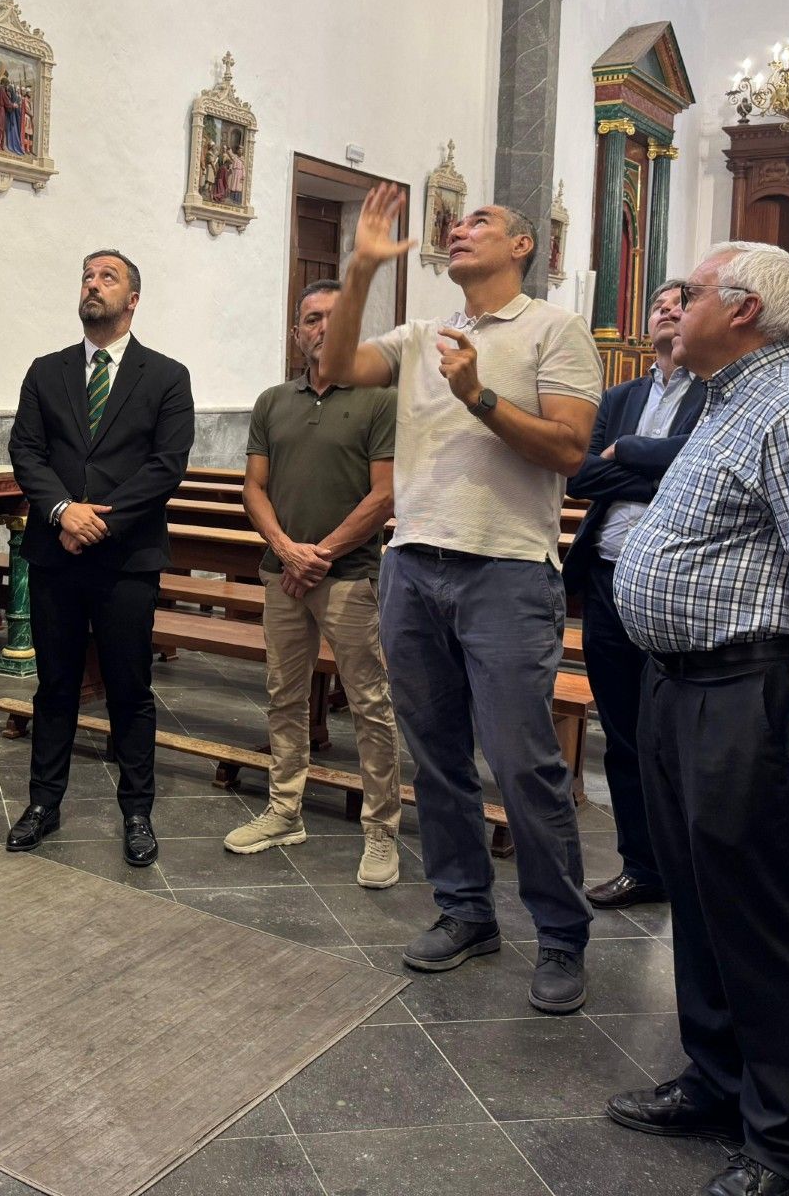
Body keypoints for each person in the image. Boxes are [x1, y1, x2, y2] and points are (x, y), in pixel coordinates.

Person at [604, 242, 789, 1196]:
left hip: (755, 689)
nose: (669, 308)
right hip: (682, 683)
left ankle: (786, 1144)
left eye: (683, 294)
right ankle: (719, 1082)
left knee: (765, 917)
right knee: (700, 899)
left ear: (739, 310)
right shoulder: (733, 402)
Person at [320, 187, 602, 1016]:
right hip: (414, 563)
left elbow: (572, 448)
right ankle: (465, 911)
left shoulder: (556, 329)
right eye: (459, 221)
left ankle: (560, 935)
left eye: (481, 221)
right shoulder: (419, 336)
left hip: (507, 570)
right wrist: (362, 269)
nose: (462, 228)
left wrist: (479, 395)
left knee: (523, 763)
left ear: (522, 246)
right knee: (436, 757)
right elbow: (332, 370)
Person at [5, 250, 194, 867]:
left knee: (129, 688)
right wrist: (63, 513)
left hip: (125, 558)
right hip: (56, 554)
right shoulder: (47, 370)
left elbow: (165, 467)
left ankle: (137, 811)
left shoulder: (166, 376)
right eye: (86, 275)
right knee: (55, 685)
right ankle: (42, 803)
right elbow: (27, 452)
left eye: (107, 277)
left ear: (133, 299)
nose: (92, 284)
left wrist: (96, 523)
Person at [225, 279, 402, 887]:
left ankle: (381, 830)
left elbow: (386, 494)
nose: (319, 328)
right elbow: (253, 487)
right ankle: (284, 809)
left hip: (348, 575)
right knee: (283, 693)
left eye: (333, 317)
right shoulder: (274, 401)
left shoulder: (379, 399)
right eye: (309, 319)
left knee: (368, 703)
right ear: (296, 332)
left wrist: (319, 554)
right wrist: (285, 550)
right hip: (282, 574)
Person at [563, 278, 706, 910]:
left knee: (675, 734)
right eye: (658, 305)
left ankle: (690, 863)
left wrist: (636, 453)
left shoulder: (716, 393)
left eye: (681, 303)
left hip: (679, 586)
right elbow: (580, 473)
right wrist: (654, 463)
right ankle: (641, 863)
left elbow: (703, 467)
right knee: (622, 731)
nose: (667, 312)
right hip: (605, 577)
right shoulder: (620, 395)